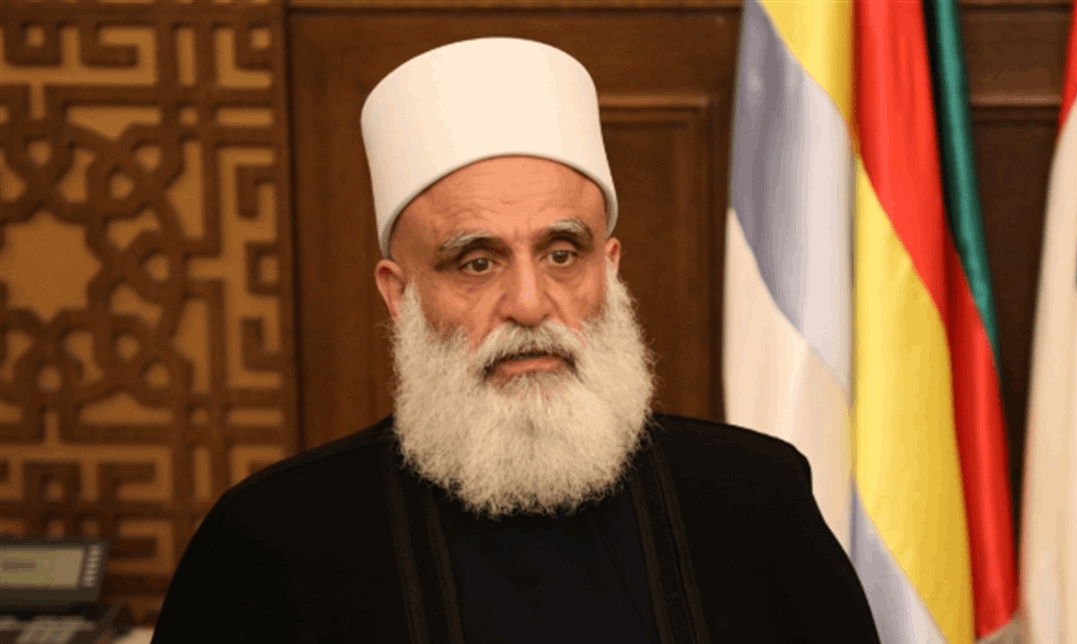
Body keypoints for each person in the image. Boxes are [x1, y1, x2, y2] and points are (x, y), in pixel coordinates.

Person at [152, 38, 878, 643]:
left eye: (562, 254)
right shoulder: (274, 541)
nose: (530, 305)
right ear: (399, 294)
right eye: (477, 262)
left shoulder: (756, 501)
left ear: (609, 270)